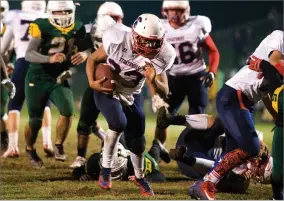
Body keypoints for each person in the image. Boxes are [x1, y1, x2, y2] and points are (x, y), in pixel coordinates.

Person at [86, 13, 176, 196]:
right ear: (134, 35)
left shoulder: (164, 54)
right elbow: (92, 59)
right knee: (118, 123)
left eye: (154, 42)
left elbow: (165, 90)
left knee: (139, 141)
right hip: (108, 88)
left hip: (131, 95)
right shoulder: (118, 38)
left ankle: (140, 177)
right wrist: (91, 83)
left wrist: (155, 81)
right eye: (146, 41)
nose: (150, 47)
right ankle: (105, 170)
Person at [188, 30, 283, 200]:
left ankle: (203, 184)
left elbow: (268, 92)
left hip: (245, 101)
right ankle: (205, 183)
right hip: (235, 94)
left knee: (233, 153)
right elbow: (275, 71)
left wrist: (277, 117)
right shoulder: (279, 37)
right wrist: (264, 66)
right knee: (251, 146)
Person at [149, 0, 220, 163]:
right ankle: (158, 146)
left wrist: (212, 72)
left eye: (179, 10)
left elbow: (213, 50)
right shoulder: (160, 28)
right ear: (164, 11)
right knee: (163, 115)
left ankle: (193, 151)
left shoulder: (197, 25)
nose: (175, 14)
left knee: (197, 115)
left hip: (196, 76)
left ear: (187, 10)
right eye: (172, 10)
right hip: (173, 77)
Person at [24, 0, 92, 168]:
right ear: (49, 12)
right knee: (35, 121)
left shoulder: (78, 26)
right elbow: (29, 54)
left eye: (66, 11)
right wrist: (49, 59)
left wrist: (84, 54)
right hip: (37, 78)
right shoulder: (41, 25)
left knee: (68, 109)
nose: (62, 16)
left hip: (58, 78)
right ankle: (30, 149)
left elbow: (89, 49)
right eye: (58, 12)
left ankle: (59, 145)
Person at [70, 2, 124, 169]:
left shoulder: (126, 34)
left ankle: (120, 151)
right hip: (96, 82)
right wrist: (86, 53)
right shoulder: (88, 31)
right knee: (85, 120)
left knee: (122, 122)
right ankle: (80, 156)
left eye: (115, 18)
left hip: (121, 83)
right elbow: (79, 48)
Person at [0, 1, 54, 159]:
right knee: (45, 104)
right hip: (42, 62)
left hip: (23, 62)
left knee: (14, 104)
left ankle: (13, 147)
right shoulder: (46, 17)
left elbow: (2, 50)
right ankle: (47, 142)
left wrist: (8, 65)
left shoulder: (15, 17)